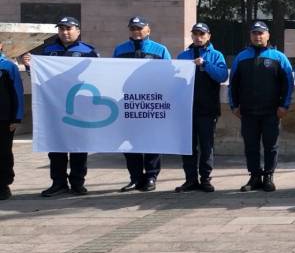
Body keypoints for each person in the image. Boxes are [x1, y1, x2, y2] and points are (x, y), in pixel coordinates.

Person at [23, 17, 99, 197]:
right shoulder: (48, 51)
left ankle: (77, 183)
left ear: (78, 31)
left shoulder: (88, 51)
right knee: (55, 147)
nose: (65, 32)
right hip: (53, 108)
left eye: (69, 28)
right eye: (62, 29)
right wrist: (28, 66)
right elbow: (39, 76)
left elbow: (97, 76)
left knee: (78, 147)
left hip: (79, 107)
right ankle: (58, 183)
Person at [229, 21, 293, 193]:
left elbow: (288, 83)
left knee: (271, 146)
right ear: (250, 36)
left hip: (271, 111)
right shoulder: (241, 57)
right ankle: (255, 176)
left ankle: (268, 177)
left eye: (261, 33)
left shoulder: (279, 57)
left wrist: (284, 105)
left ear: (267, 35)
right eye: (254, 33)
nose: (258, 36)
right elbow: (233, 84)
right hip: (248, 112)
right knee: (251, 146)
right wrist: (234, 106)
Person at [113, 16, 172, 192]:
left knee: (152, 141)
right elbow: (112, 74)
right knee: (129, 143)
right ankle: (135, 177)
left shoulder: (160, 50)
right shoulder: (120, 49)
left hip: (151, 103)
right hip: (129, 103)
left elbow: (169, 74)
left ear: (148, 29)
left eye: (139, 28)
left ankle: (151, 176)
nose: (136, 32)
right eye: (133, 29)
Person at [176, 23, 227, 193]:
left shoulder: (216, 55)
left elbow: (222, 76)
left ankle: (205, 179)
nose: (198, 37)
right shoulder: (183, 56)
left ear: (208, 36)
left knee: (207, 146)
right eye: (195, 34)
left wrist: (205, 65)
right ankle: (190, 179)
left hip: (208, 110)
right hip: (186, 110)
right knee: (188, 147)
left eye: (201, 34)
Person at [0, 39, 24, 200]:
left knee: (3, 153)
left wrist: (17, 117)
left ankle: (3, 185)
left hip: (3, 119)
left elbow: (17, 93)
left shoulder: (8, 67)